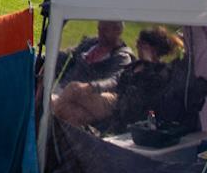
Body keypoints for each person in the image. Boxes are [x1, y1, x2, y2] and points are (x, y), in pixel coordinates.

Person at [53, 26, 181, 132]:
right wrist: (94, 87)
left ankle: (50, 121)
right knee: (68, 112)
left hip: (124, 107)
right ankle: (79, 147)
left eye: (140, 44)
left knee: (73, 88)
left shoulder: (160, 72)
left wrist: (149, 63)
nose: (136, 46)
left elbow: (145, 94)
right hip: (116, 100)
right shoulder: (135, 65)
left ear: (152, 48)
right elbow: (115, 80)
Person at [59, 20, 132, 88]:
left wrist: (89, 87)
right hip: (62, 87)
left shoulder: (121, 58)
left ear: (118, 31)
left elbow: (112, 82)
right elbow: (70, 55)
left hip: (84, 96)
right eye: (99, 29)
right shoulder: (91, 43)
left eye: (105, 30)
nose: (100, 34)